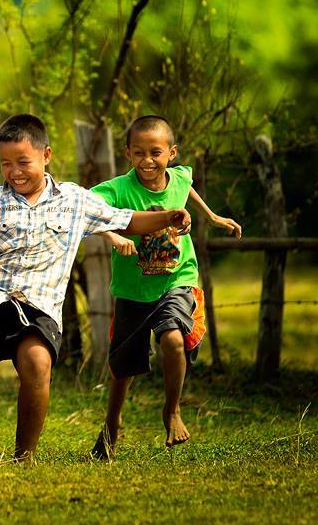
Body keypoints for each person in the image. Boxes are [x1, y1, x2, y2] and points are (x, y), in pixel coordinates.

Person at [0, 114, 192, 463]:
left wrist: (169, 216)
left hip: (43, 307)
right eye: (5, 164)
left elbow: (125, 219)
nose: (15, 171)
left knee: (38, 362)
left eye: (23, 162)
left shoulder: (72, 199)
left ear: (46, 156)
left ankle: (24, 457)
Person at [90, 115, 241, 460]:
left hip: (177, 278)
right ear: (127, 154)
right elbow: (85, 210)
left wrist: (212, 216)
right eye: (139, 152)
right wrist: (113, 235)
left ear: (171, 153)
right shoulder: (117, 189)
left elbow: (185, 185)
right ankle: (112, 423)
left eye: (155, 152)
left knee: (173, 339)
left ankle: (171, 410)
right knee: (123, 368)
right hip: (133, 289)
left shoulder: (180, 175)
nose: (147, 160)